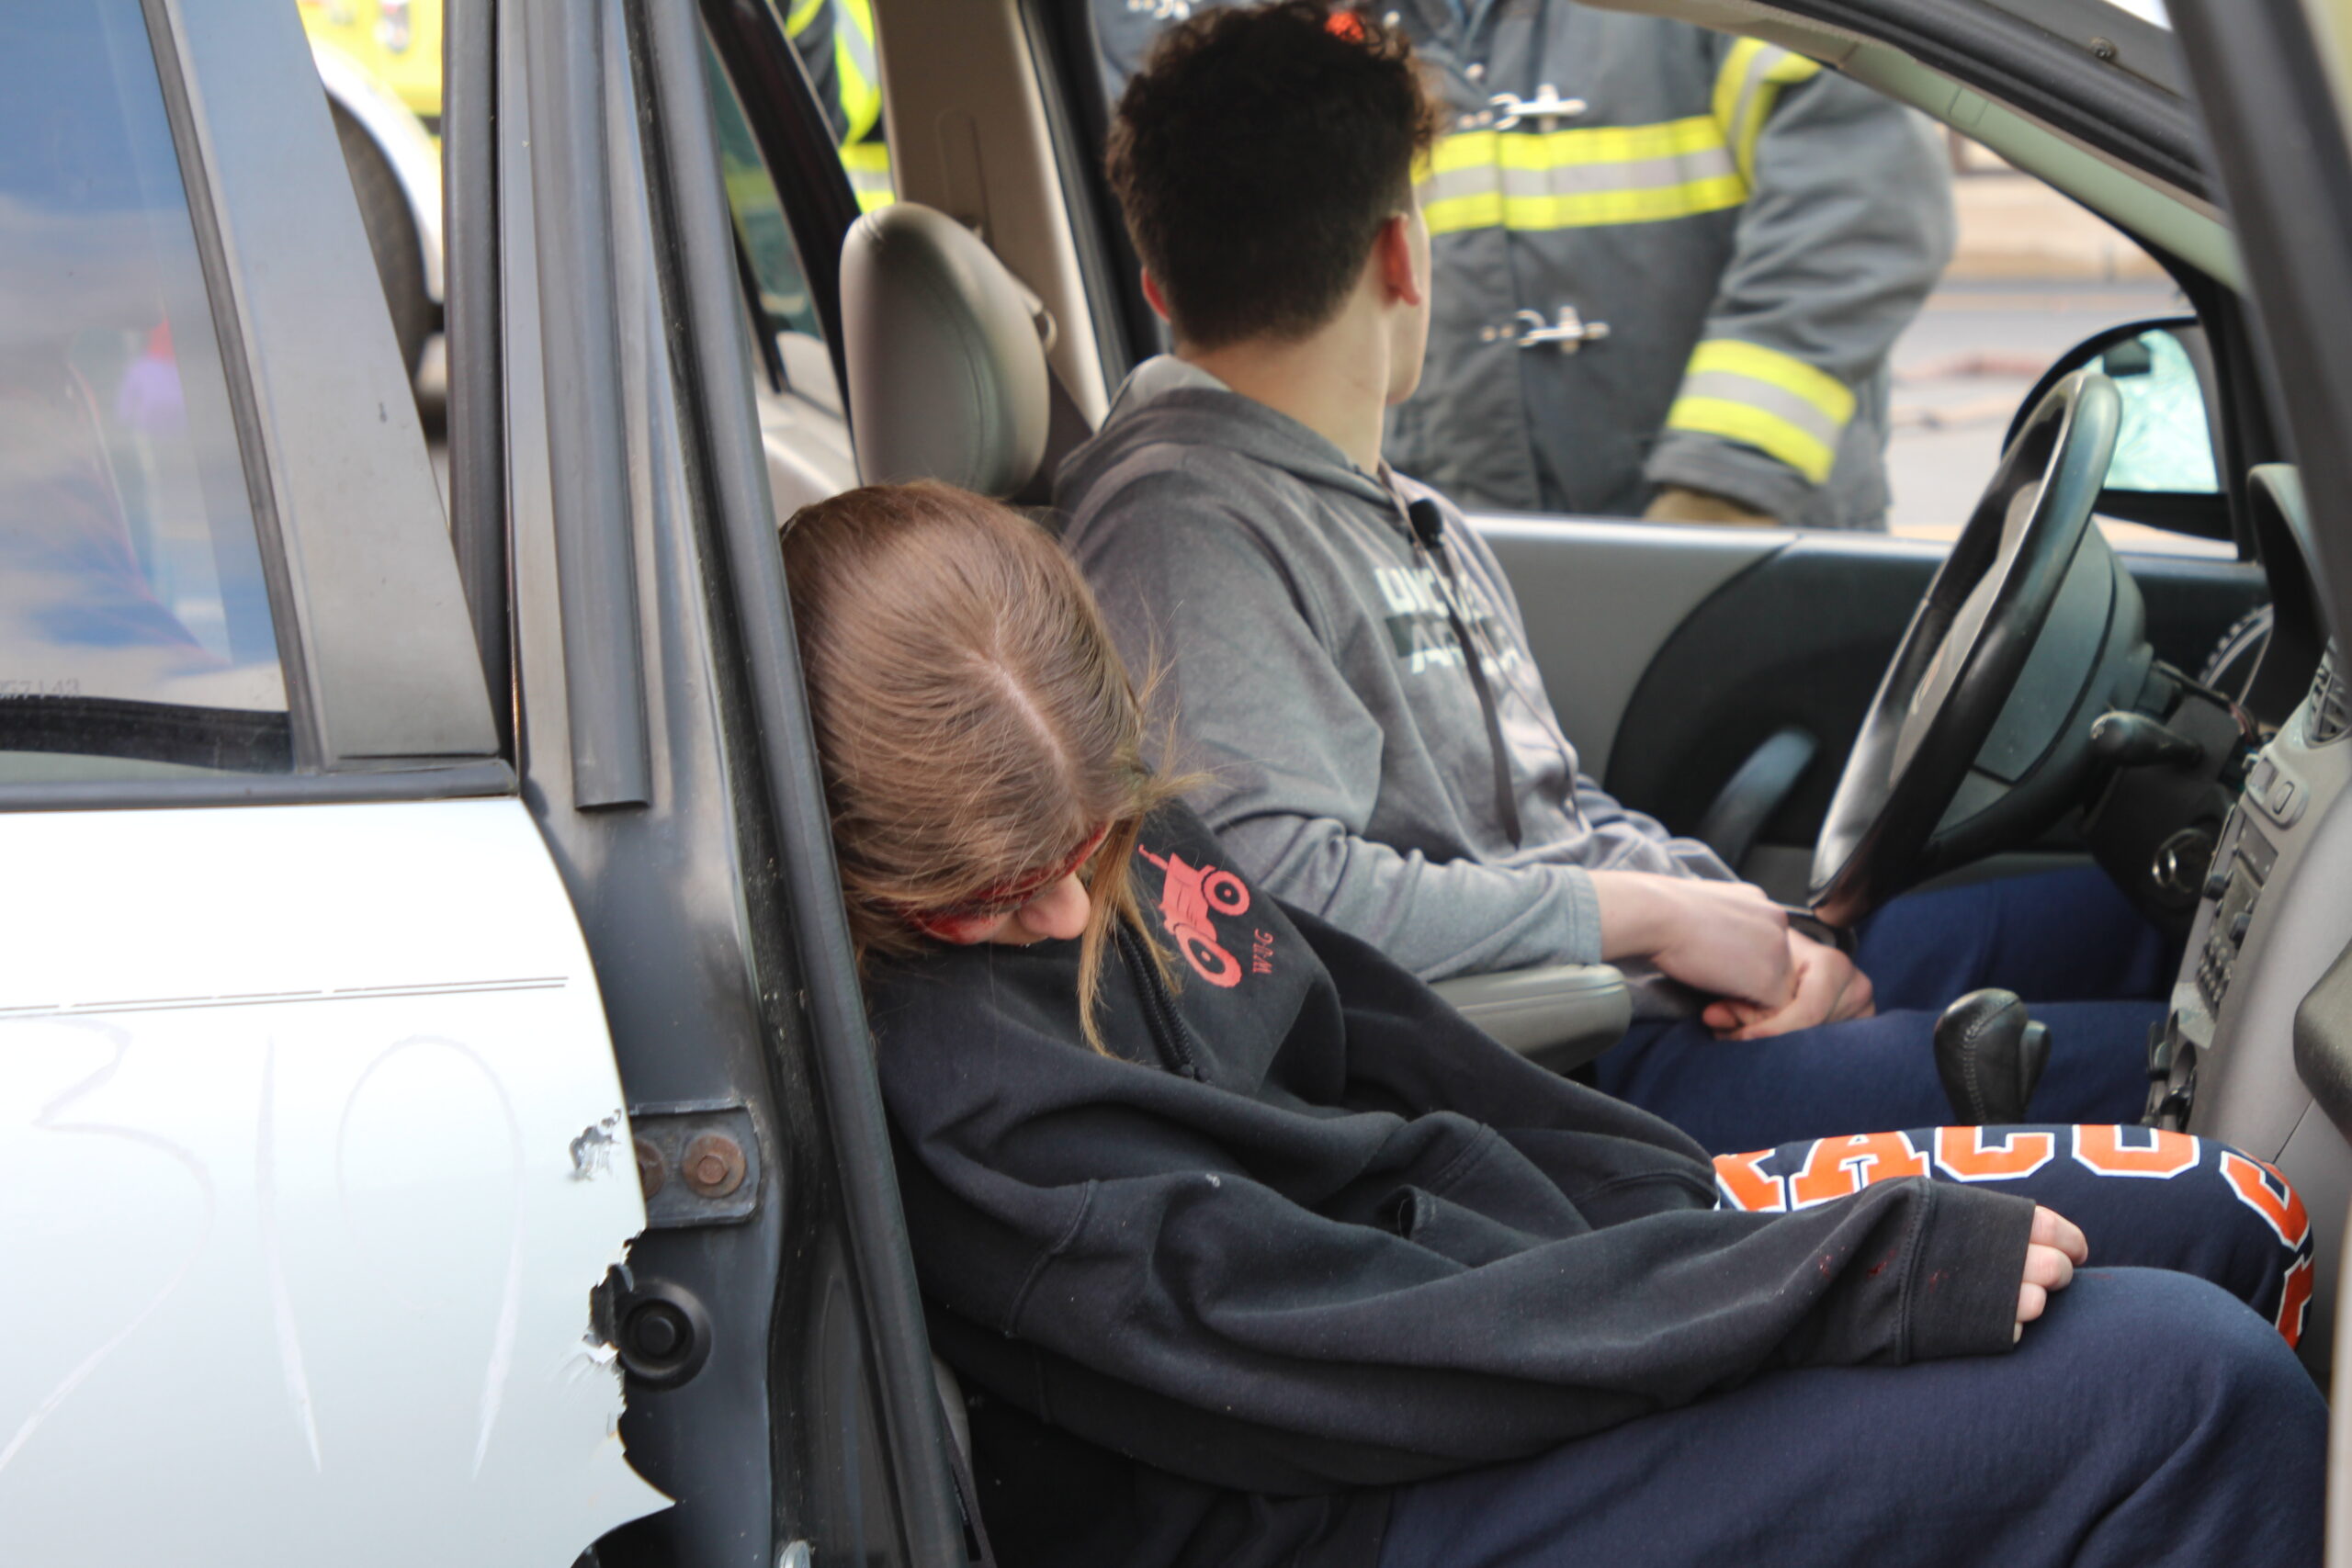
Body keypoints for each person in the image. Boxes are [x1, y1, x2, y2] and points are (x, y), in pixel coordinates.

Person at [778, 478, 2323, 1568]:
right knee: (2191, 1388)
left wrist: (1681, 1203)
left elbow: (1407, 1054)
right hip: (1356, 1493)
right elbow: (1356, 1352)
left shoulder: (1131, 853)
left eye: (1089, 848)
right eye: (985, 899)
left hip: (1490, 1297)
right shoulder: (975, 1111)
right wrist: (1835, 1274)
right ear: (834, 844)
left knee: (2221, 1224)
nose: (1059, 914)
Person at [1057, 2, 2165, 1154]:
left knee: (2131, 926)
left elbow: (1544, 806)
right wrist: (1653, 918)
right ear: (1401, 255)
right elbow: (1273, 896)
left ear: (1156, 282)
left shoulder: (1399, 508)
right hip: (1570, 1095)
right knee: (2165, 1072)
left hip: (1630, 1003)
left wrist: (1761, 934)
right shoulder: (1181, 528)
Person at [1090, 0, 1951, 527]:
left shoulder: (1704, 13)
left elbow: (1865, 207)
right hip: (1489, 576)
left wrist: (1725, 485)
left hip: (1750, 557)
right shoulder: (1341, 41)